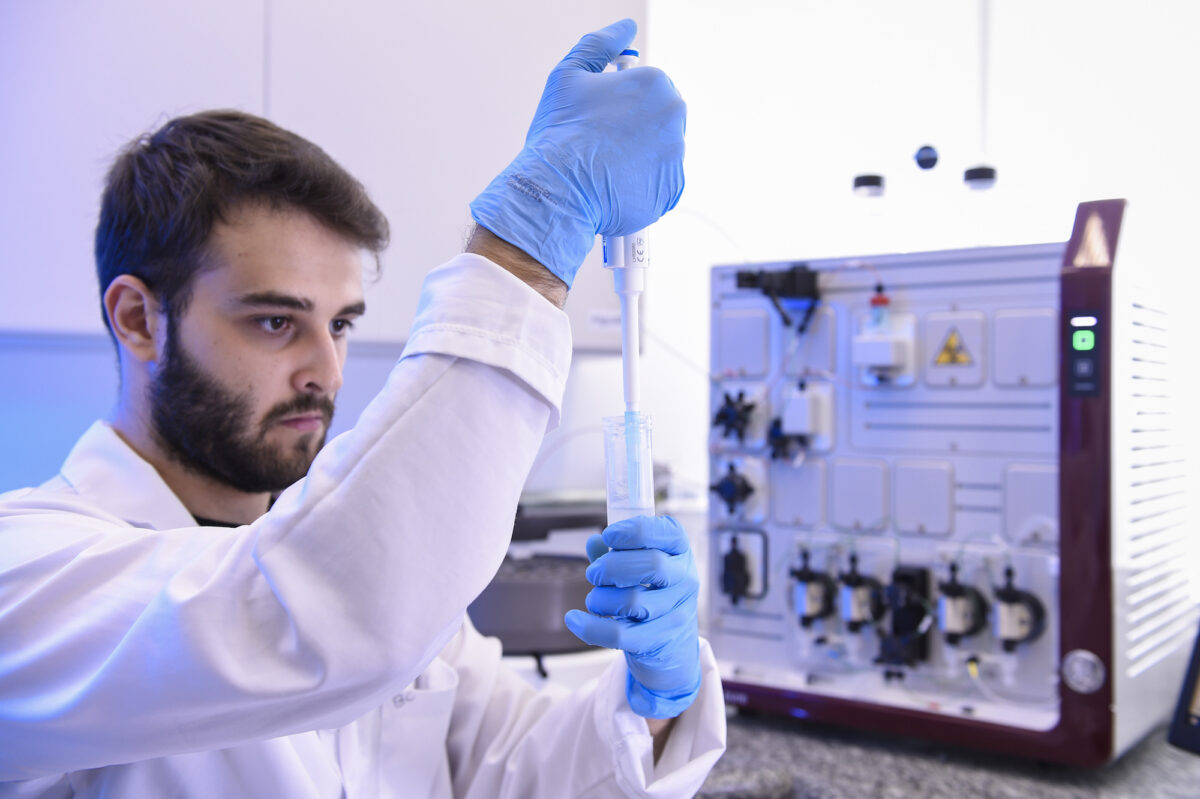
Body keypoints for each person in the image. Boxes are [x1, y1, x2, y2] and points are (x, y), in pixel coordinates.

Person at [0, 18, 726, 799]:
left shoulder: (368, 568)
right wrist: (530, 240)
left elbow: (514, 768)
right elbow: (313, 610)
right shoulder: (30, 573)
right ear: (139, 319)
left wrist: (654, 700)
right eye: (275, 321)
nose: (326, 368)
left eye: (341, 322)